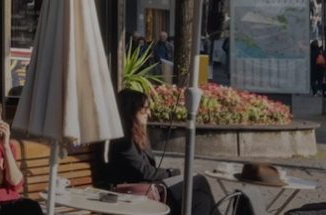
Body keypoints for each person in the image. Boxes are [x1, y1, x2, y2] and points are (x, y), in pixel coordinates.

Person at [105, 88, 245, 215]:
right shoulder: (123, 140)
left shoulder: (138, 134)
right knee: (198, 188)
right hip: (135, 192)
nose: (149, 112)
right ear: (130, 110)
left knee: (200, 195)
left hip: (151, 187)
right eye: (145, 108)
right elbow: (144, 171)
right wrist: (170, 172)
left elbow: (149, 168)